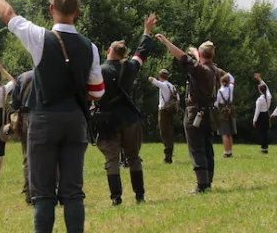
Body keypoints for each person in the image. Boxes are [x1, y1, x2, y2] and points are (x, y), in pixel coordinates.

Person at [0, 0, 104, 233]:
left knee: (43, 193)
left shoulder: (40, 38)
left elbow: (7, 14)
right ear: (77, 13)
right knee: (73, 192)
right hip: (75, 120)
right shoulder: (91, 47)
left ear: (51, 10)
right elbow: (97, 92)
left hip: (44, 120)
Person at [93, 14, 156, 206]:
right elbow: (141, 53)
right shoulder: (130, 67)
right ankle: (139, 196)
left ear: (108, 51)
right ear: (123, 54)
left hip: (108, 120)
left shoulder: (99, 70)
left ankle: (116, 198)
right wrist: (147, 31)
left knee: (112, 160)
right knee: (134, 157)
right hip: (129, 118)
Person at [154, 34, 225, 194]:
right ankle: (208, 181)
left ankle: (202, 185)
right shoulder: (215, 71)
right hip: (210, 112)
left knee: (196, 148)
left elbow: (182, 56)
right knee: (207, 147)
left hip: (196, 112)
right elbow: (199, 63)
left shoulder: (200, 70)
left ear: (200, 55)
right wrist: (197, 54)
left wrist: (166, 42)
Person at [11, 69, 35, 204]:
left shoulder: (23, 77)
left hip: (26, 118)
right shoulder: (53, 74)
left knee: (27, 156)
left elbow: (15, 103)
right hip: (49, 116)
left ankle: (29, 194)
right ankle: (48, 192)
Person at [148, 69, 178, 164]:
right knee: (170, 132)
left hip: (164, 111)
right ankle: (170, 152)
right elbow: (177, 98)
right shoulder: (172, 86)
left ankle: (168, 157)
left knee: (164, 133)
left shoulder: (164, 85)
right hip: (171, 111)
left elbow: (153, 80)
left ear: (160, 76)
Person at [215, 72, 236, 157]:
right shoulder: (231, 88)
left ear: (221, 82)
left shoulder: (220, 91)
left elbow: (216, 104)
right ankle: (230, 151)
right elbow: (233, 79)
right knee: (230, 133)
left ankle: (226, 152)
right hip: (231, 111)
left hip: (223, 113)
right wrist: (224, 72)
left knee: (224, 133)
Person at [252, 73, 272, 155]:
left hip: (260, 116)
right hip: (266, 114)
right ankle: (265, 147)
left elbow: (257, 110)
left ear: (260, 90)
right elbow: (267, 87)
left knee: (261, 133)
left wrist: (254, 120)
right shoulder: (269, 96)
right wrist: (260, 79)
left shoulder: (260, 100)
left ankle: (263, 147)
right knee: (265, 132)